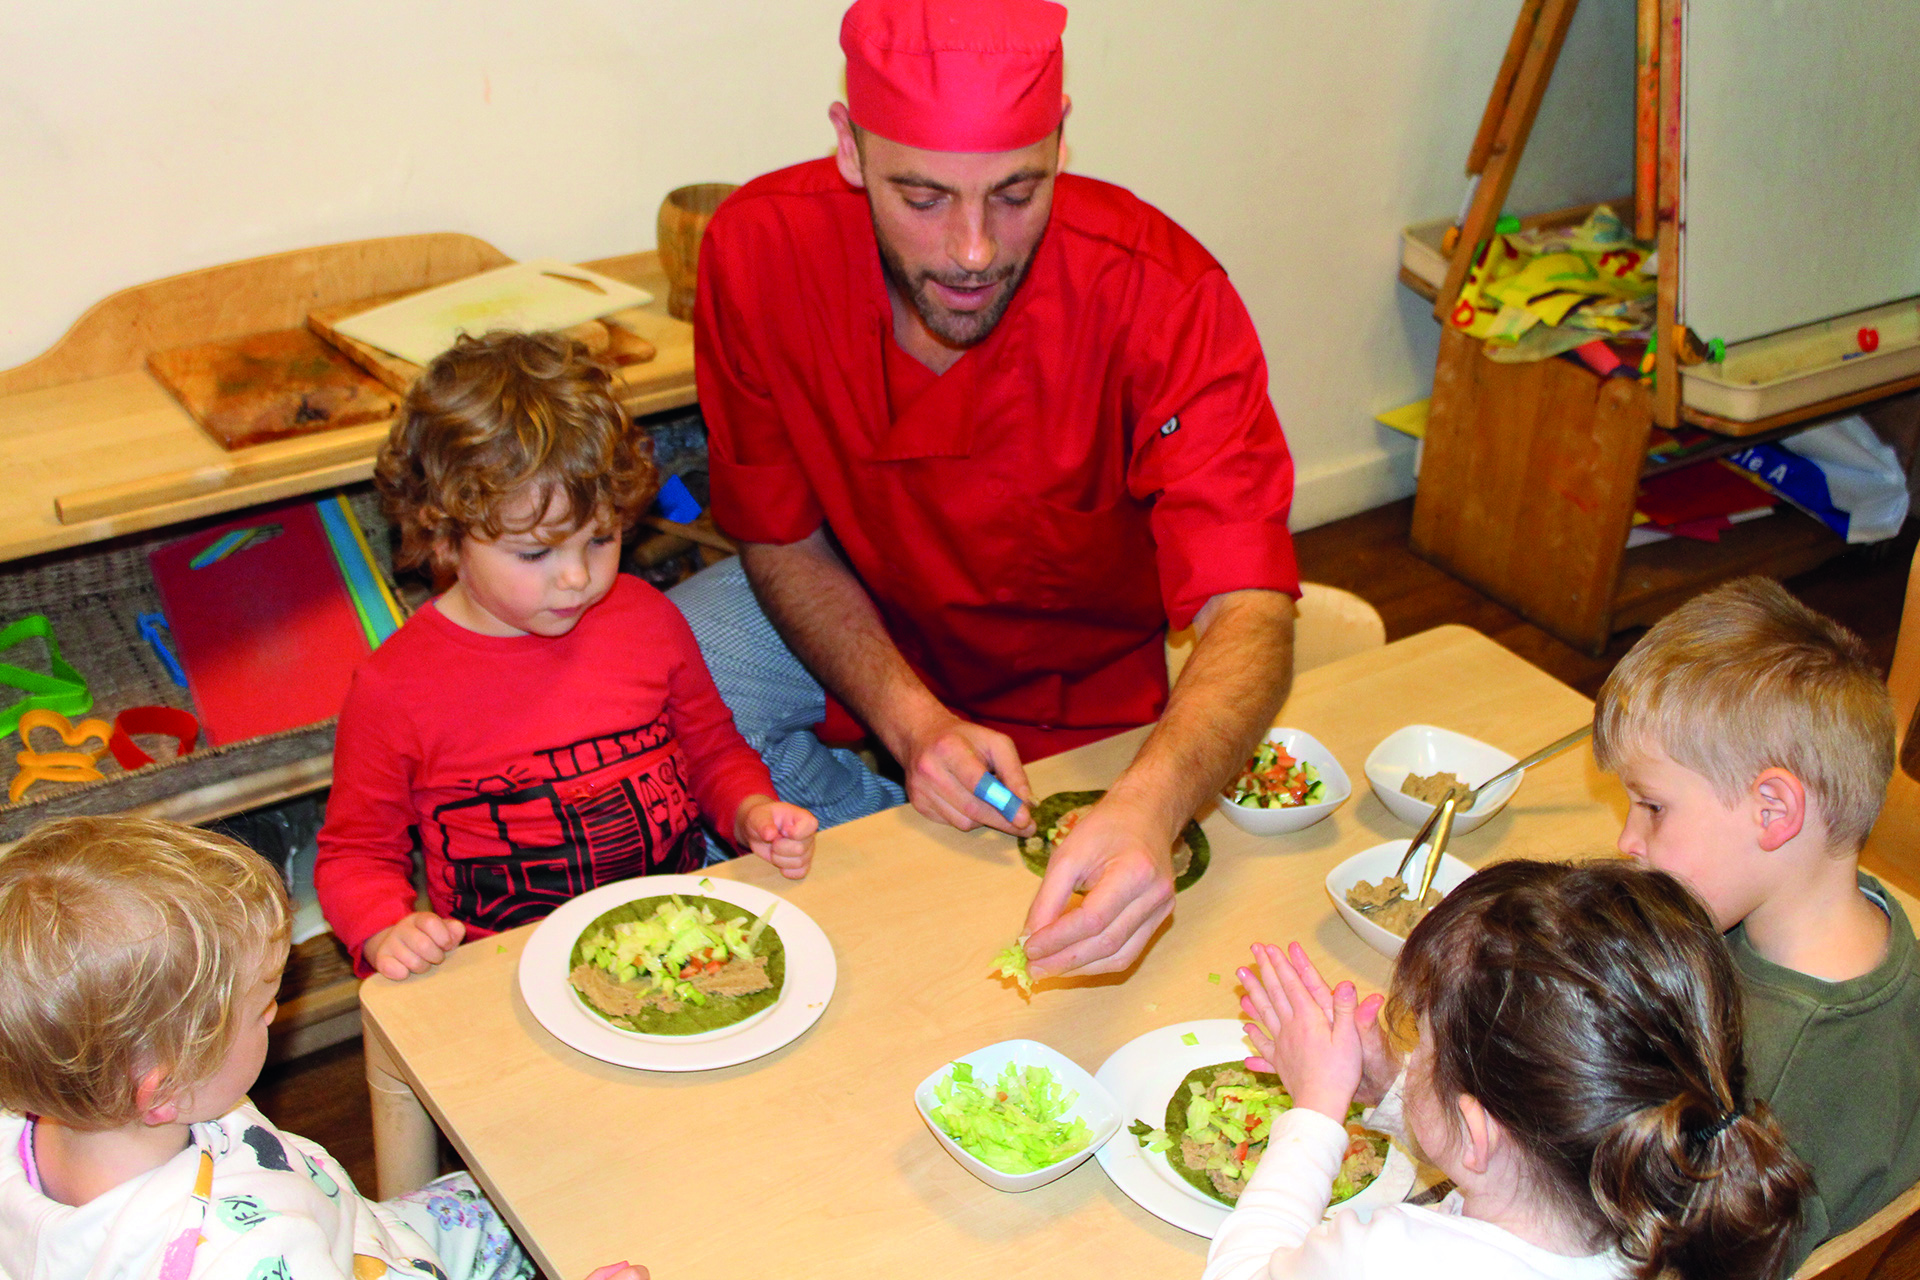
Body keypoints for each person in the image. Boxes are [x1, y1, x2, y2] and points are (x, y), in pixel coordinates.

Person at [673, 0, 1299, 979]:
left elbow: (1248, 604)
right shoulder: (759, 255)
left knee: (1092, 930)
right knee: (672, 658)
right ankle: (871, 826)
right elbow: (782, 539)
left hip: (1078, 701)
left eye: (1016, 192)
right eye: (922, 198)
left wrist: (1153, 801)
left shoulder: (1158, 292)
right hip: (874, 636)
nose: (973, 249)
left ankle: (939, 864)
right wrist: (912, 721)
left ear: (1060, 140)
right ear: (849, 147)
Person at [317, 331, 815, 982]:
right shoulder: (395, 687)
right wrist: (385, 929)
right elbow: (355, 852)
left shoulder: (645, 618)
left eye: (600, 539)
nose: (577, 577)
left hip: (683, 947)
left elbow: (712, 751)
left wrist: (751, 810)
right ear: (445, 536)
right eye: (535, 554)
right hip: (507, 973)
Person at [0, 815, 650, 1280]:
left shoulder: (46, 1120)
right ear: (162, 1090)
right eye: (259, 1011)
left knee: (547, 1180)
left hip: (366, 1237)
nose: (276, 1013)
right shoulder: (245, 1254)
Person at [1208, 859, 1811, 1280]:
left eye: (1423, 1045)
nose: (1411, 1056)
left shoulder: (1386, 1258)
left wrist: (1316, 1111)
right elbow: (1497, 1150)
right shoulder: (1662, 1202)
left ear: (1480, 1128)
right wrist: (1390, 1089)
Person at [1592, 575, 1920, 1267]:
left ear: (1774, 811)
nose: (1628, 838)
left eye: (1652, 807)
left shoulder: (1774, 1086)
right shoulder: (1866, 924)